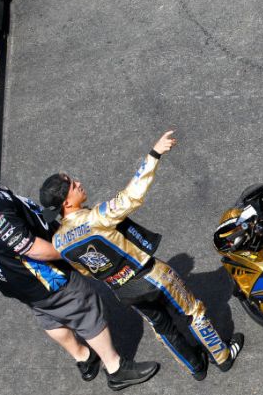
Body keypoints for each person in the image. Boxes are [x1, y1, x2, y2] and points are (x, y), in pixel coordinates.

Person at [0, 149, 160, 391]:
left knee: (49, 316)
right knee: (84, 307)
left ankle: (84, 357)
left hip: (13, 279)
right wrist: (70, 246)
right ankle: (116, 369)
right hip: (44, 276)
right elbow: (32, 249)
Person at [38, 129, 242, 381]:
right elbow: (131, 197)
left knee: (162, 327)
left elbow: (84, 269)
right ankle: (222, 356)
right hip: (152, 274)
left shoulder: (58, 241)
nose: (79, 183)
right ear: (66, 202)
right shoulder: (95, 217)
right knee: (193, 312)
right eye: (72, 185)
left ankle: (195, 368)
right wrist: (154, 154)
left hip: (123, 290)